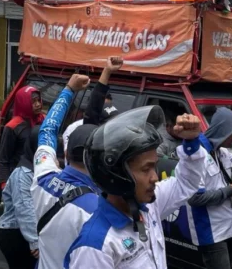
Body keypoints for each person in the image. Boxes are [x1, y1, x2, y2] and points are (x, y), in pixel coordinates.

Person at [64, 111, 207, 268]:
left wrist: (192, 142)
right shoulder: (95, 247)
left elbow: (185, 183)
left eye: (155, 167)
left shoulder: (148, 205)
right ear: (117, 175)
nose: (155, 177)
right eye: (146, 169)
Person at [34, 59, 122, 269]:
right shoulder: (100, 209)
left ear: (66, 151)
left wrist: (68, 90)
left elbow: (47, 130)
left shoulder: (42, 177)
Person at [186, 108, 232, 268]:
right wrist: (229, 191)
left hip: (229, 227)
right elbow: (194, 198)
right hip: (211, 233)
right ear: (222, 131)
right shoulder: (197, 156)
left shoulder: (221, 152)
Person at [0, 126, 40, 269]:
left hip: (26, 232)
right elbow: (24, 209)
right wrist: (35, 242)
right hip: (14, 233)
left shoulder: (41, 169)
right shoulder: (23, 174)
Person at [0, 85, 45, 187]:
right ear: (23, 103)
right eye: (33, 102)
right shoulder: (13, 126)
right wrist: (4, 184)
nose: (37, 105)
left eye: (38, 100)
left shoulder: (44, 120)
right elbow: (3, 159)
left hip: (40, 176)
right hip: (19, 179)